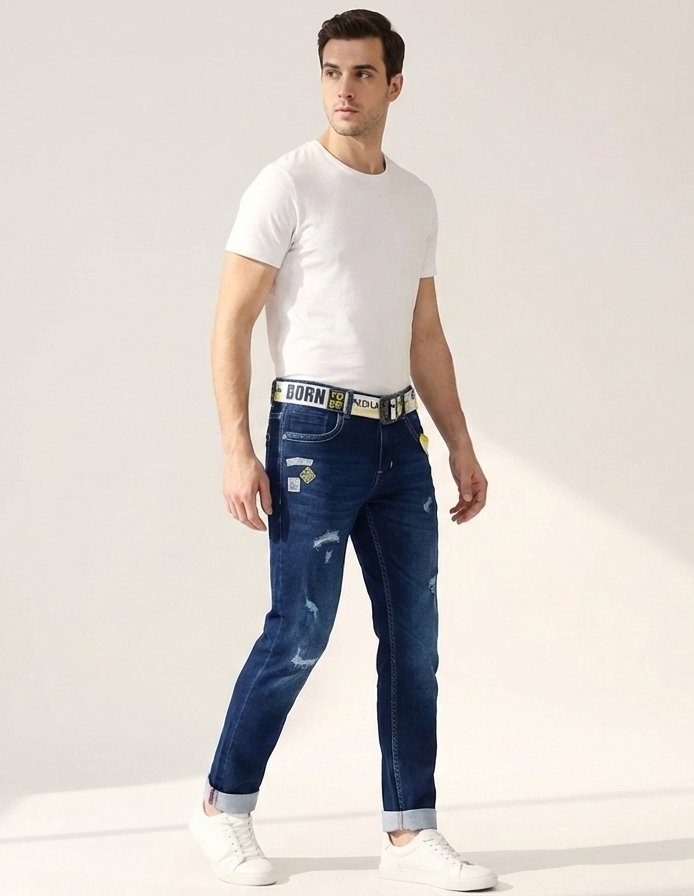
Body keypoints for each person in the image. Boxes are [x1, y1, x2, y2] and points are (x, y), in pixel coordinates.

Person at [189, 9, 495, 891]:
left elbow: (425, 332)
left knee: (414, 640)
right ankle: (222, 806)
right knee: (300, 630)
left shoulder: (414, 198)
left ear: (394, 84)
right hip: (313, 435)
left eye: (362, 73)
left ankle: (410, 830)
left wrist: (460, 445)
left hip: (400, 435)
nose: (345, 89)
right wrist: (236, 448)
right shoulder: (285, 184)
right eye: (332, 72)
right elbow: (230, 322)